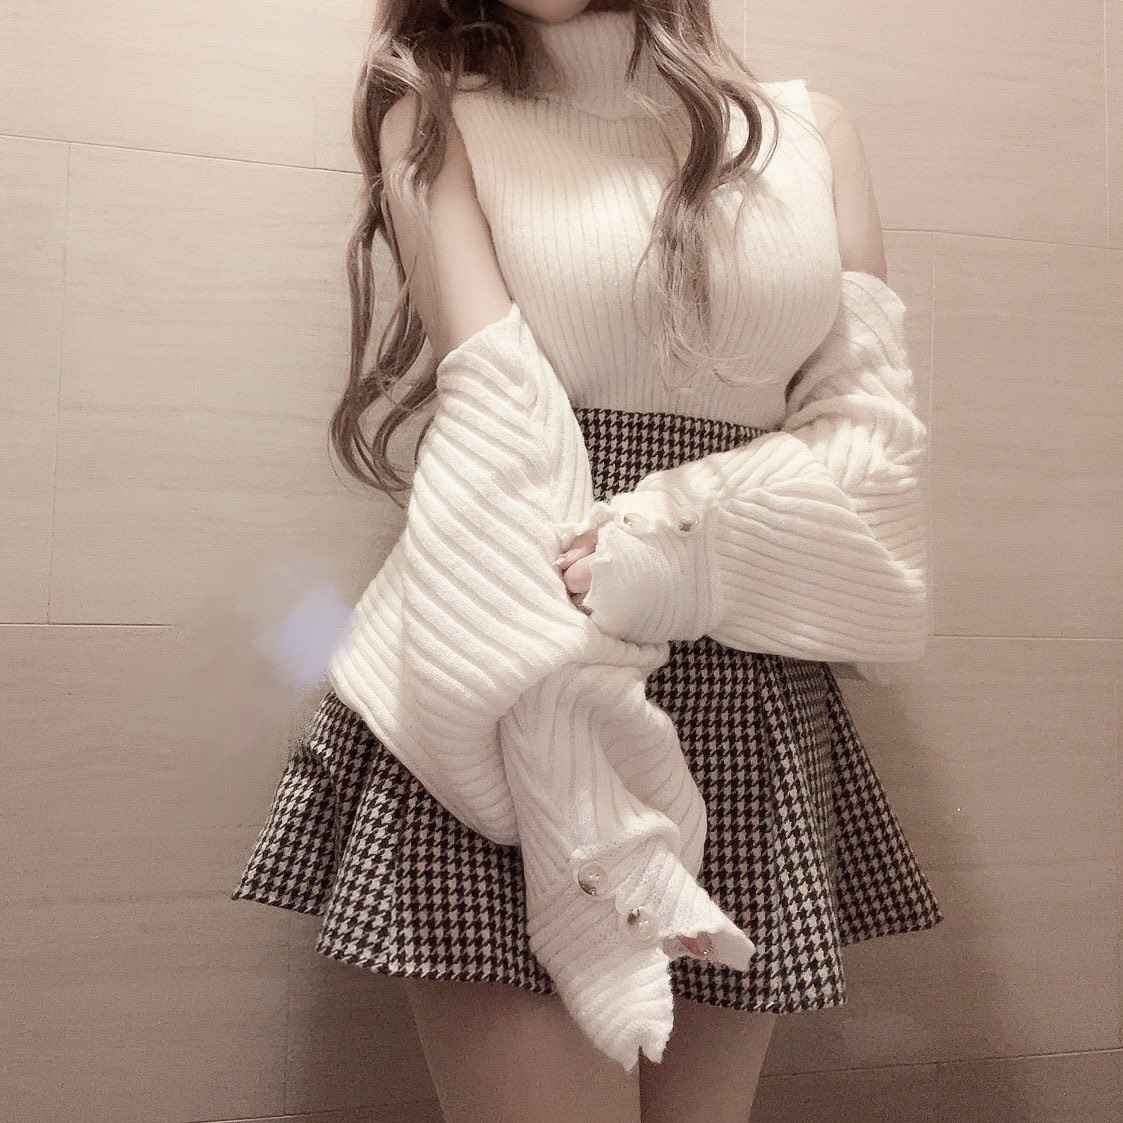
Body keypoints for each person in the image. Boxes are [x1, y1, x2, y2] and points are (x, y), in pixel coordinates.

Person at [232, 0, 944, 1119]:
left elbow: (872, 445)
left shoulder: (812, 132)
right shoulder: (437, 113)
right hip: (508, 648)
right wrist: (576, 750)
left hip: (743, 673)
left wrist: (689, 545)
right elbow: (495, 419)